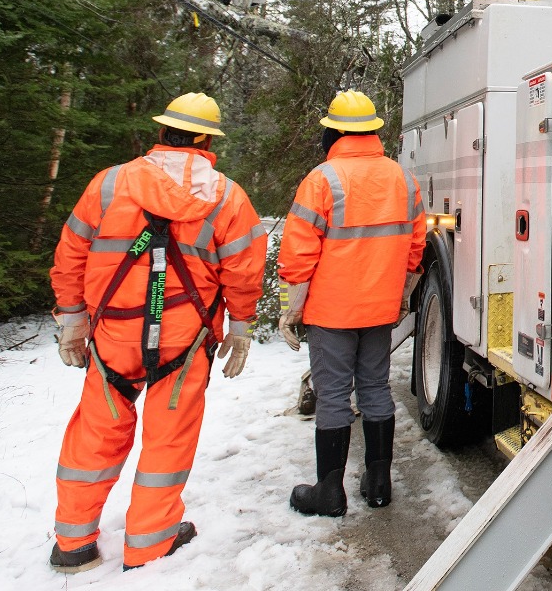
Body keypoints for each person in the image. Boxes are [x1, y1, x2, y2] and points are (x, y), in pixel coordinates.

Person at [46, 92, 268, 572]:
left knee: (96, 432)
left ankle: (73, 543)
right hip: (184, 341)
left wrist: (71, 319)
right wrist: (242, 325)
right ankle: (149, 543)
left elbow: (71, 254)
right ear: (208, 140)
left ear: (162, 131)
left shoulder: (108, 185)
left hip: (113, 336)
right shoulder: (228, 197)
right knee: (169, 437)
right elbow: (245, 270)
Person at [277, 89, 425, 517]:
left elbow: (299, 255)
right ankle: (379, 485)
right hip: (380, 311)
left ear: (335, 133)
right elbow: (415, 248)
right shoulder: (402, 178)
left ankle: (329, 493)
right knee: (376, 389)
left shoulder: (322, 179)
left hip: (331, 312)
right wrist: (400, 297)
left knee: (334, 395)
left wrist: (292, 309)